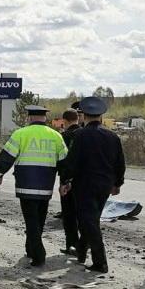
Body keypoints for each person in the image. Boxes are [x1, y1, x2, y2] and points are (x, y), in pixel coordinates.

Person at [0, 105, 67, 266]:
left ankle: (39, 254)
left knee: (31, 221)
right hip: (46, 186)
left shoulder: (21, 134)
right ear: (45, 118)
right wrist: (65, 182)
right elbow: (64, 162)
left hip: (26, 186)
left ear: (30, 118)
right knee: (39, 220)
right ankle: (30, 249)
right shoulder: (56, 136)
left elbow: (7, 157)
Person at [59, 96, 125, 274]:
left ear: (84, 116)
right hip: (105, 185)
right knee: (92, 219)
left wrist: (65, 180)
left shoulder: (80, 135)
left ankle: (100, 262)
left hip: (85, 184)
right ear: (101, 116)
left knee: (88, 221)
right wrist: (117, 183)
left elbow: (73, 161)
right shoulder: (113, 136)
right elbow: (120, 162)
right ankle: (81, 251)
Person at [58, 104, 82, 254]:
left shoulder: (64, 137)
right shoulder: (84, 134)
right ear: (78, 119)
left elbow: (62, 160)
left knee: (68, 213)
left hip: (68, 179)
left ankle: (71, 244)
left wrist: (64, 181)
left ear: (65, 121)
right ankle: (83, 245)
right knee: (82, 213)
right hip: (84, 180)